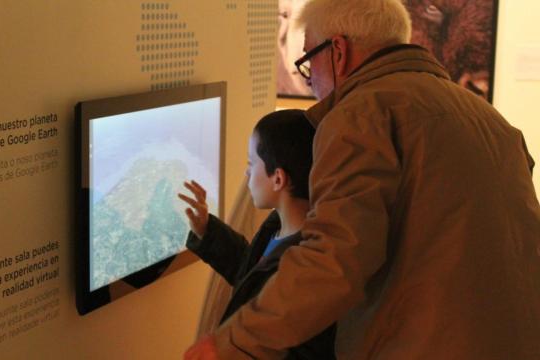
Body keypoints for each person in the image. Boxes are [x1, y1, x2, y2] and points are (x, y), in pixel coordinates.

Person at [185, 0, 540, 359]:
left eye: (309, 60)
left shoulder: (361, 113)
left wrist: (230, 343)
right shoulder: (489, 119)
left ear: (338, 51)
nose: (310, 83)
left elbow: (336, 258)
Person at [178, 110, 336, 359]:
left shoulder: (305, 263)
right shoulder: (277, 228)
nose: (247, 174)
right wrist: (208, 230)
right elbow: (251, 274)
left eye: (251, 164)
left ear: (278, 178)